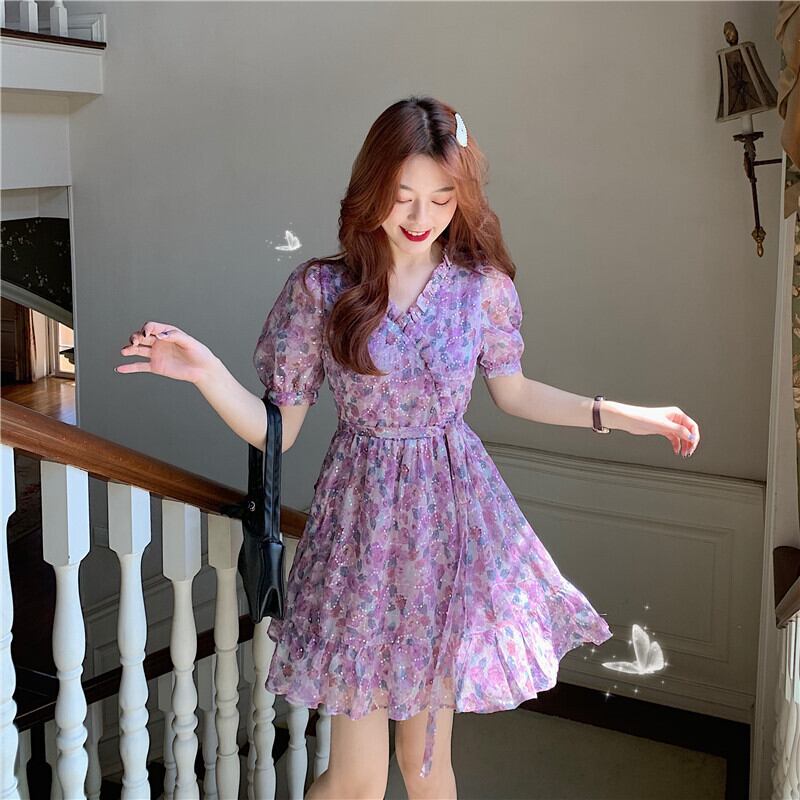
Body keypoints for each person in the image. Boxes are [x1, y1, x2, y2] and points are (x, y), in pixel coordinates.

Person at [117, 95, 700, 800]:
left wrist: (626, 415)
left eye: (441, 199)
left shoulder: (480, 291)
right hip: (358, 539)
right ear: (372, 189)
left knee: (425, 769)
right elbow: (279, 431)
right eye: (403, 197)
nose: (422, 217)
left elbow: (514, 393)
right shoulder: (323, 290)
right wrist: (206, 372)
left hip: (447, 536)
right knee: (356, 780)